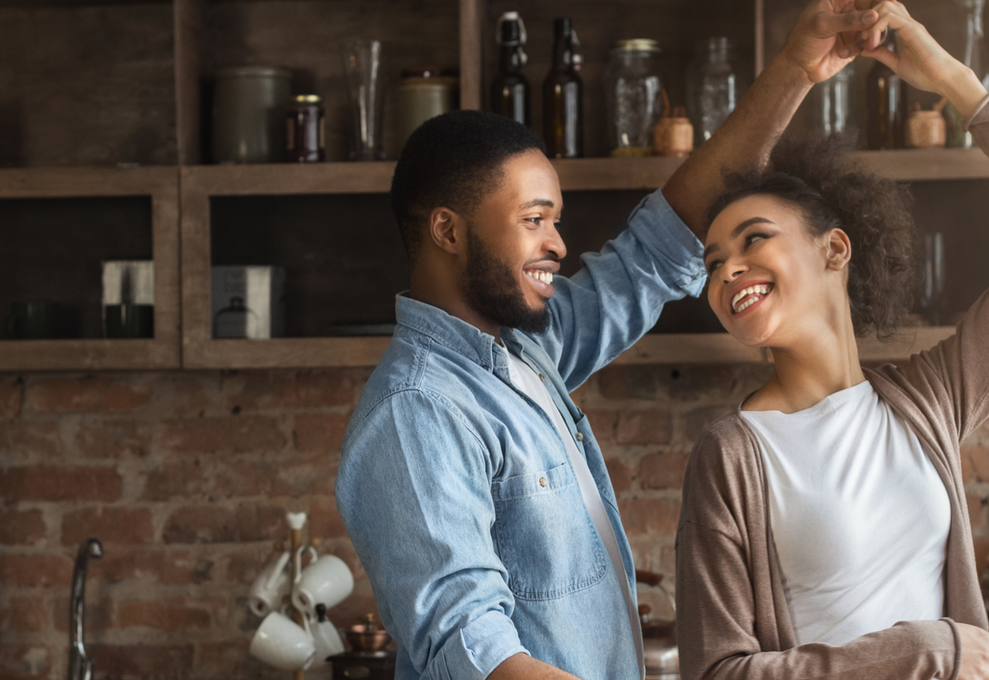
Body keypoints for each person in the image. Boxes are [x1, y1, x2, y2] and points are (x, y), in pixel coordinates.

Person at [334, 3, 891, 678]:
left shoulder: (525, 350)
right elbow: (474, 649)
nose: (558, 244)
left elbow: (657, 250)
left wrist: (795, 70)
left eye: (557, 219)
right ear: (449, 233)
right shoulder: (417, 410)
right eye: (534, 220)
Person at [673, 3, 989, 680]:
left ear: (835, 249)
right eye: (711, 262)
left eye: (754, 239)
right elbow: (718, 672)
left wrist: (954, 82)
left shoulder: (929, 400)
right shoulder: (732, 456)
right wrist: (921, 652)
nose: (726, 269)